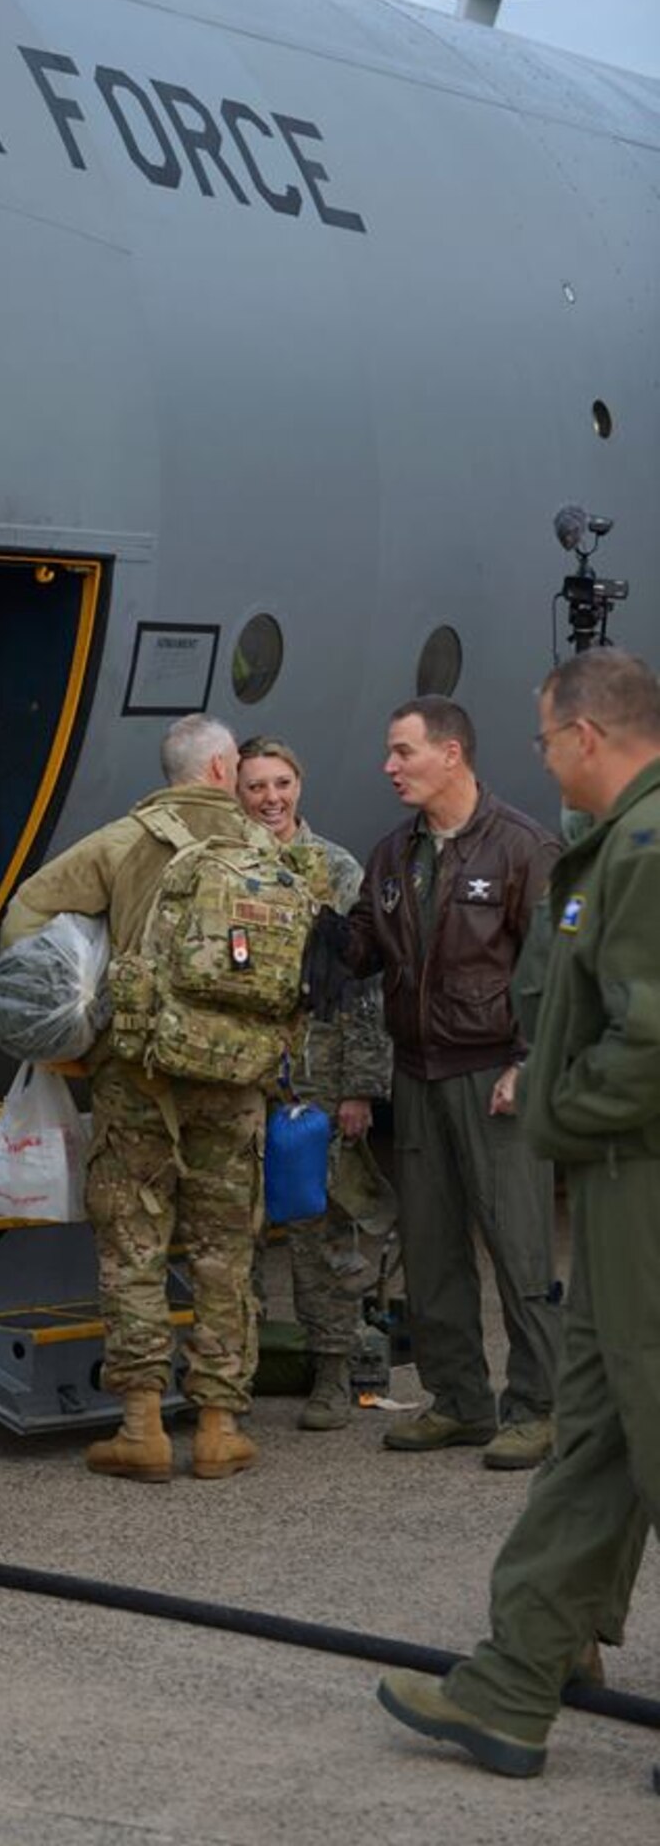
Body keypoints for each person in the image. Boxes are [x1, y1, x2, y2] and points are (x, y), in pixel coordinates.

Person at [377, 648, 660, 1779]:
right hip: (614, 1181)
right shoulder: (613, 848)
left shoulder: (642, 850)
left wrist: (554, 1112)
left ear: (586, 735)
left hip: (639, 1171)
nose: (540, 759)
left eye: (546, 739)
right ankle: (516, 1679)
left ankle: (518, 1673)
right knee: (595, 1433)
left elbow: (650, 1038)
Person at [1, 714, 298, 1484]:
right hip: (236, 1080)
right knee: (223, 1250)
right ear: (223, 768)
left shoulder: (122, 843)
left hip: (140, 1075)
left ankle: (140, 1426)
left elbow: (26, 913)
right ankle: (219, 1426)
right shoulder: (275, 850)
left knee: (133, 1246)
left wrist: (77, 1011)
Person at [336, 697, 560, 1469]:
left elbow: (553, 971)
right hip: (418, 1073)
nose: (388, 767)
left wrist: (529, 1064)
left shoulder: (524, 848)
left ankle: (537, 1407)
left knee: (519, 1248)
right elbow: (367, 941)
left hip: (491, 1072)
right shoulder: (393, 853)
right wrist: (330, 942)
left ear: (451, 753)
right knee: (430, 1250)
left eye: (402, 752)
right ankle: (458, 1401)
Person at [236, 737, 393, 1430]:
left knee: (320, 1228)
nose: (270, 799)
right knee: (232, 1227)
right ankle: (230, 1372)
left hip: (319, 1077)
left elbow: (363, 986)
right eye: (255, 786)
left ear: (299, 785)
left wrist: (359, 1087)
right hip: (242, 1071)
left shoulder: (335, 869)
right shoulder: (223, 867)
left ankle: (331, 1371)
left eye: (281, 783)